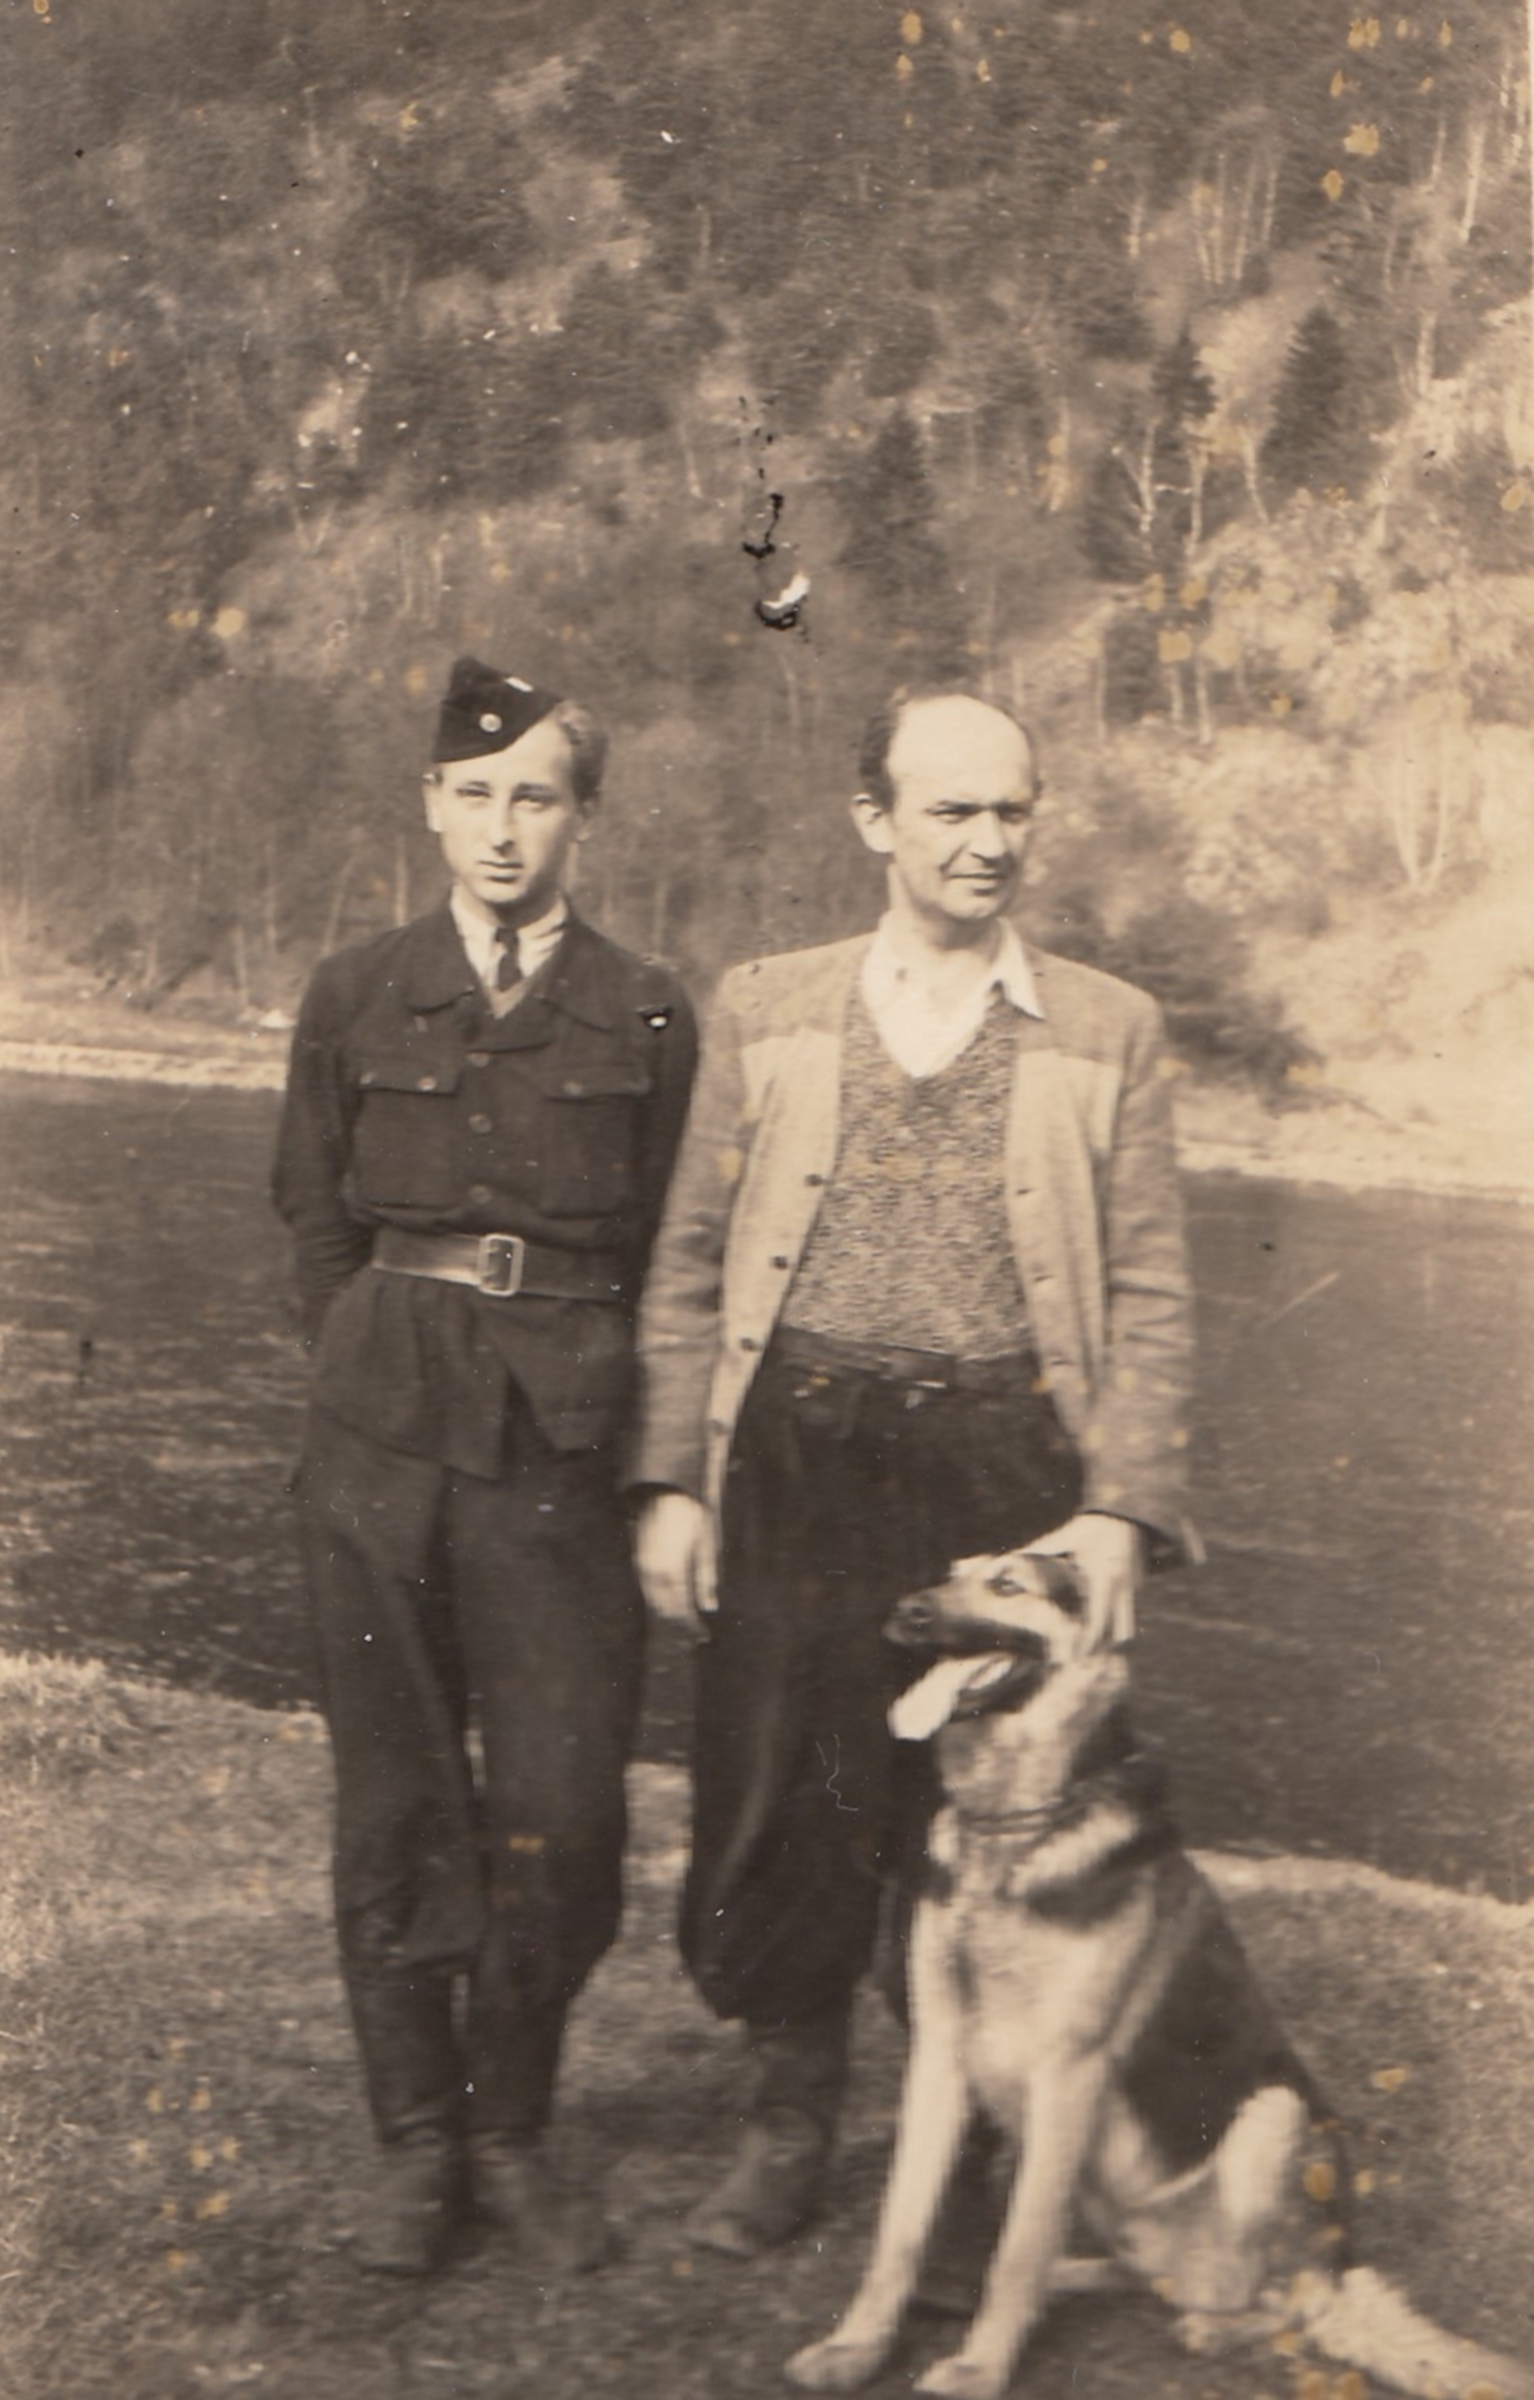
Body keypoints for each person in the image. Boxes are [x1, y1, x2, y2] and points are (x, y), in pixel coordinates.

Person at [630, 689, 1195, 2258]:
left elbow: (1150, 1293)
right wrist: (670, 1482)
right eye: (950, 810)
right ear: (873, 821)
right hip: (795, 1458)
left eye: (1011, 810)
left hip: (1004, 1468)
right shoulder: (767, 1005)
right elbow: (685, 1267)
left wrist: (1118, 1509)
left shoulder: (1108, 1027)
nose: (987, 841)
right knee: (781, 1793)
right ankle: (788, 2121)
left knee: (1004, 1806)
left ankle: (974, 2154)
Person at [273, 658, 697, 2277]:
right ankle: (416, 2143)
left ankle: (508, 2126)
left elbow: (674, 1256)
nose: (503, 829)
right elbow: (315, 1218)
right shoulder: (353, 989)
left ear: (583, 817)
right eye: (473, 795)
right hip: (376, 1440)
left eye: (535, 796)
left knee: (563, 1816)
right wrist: (357, 1368)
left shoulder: (646, 1008)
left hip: (560, 1455)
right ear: (430, 807)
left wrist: (646, 1458)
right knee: (396, 1803)